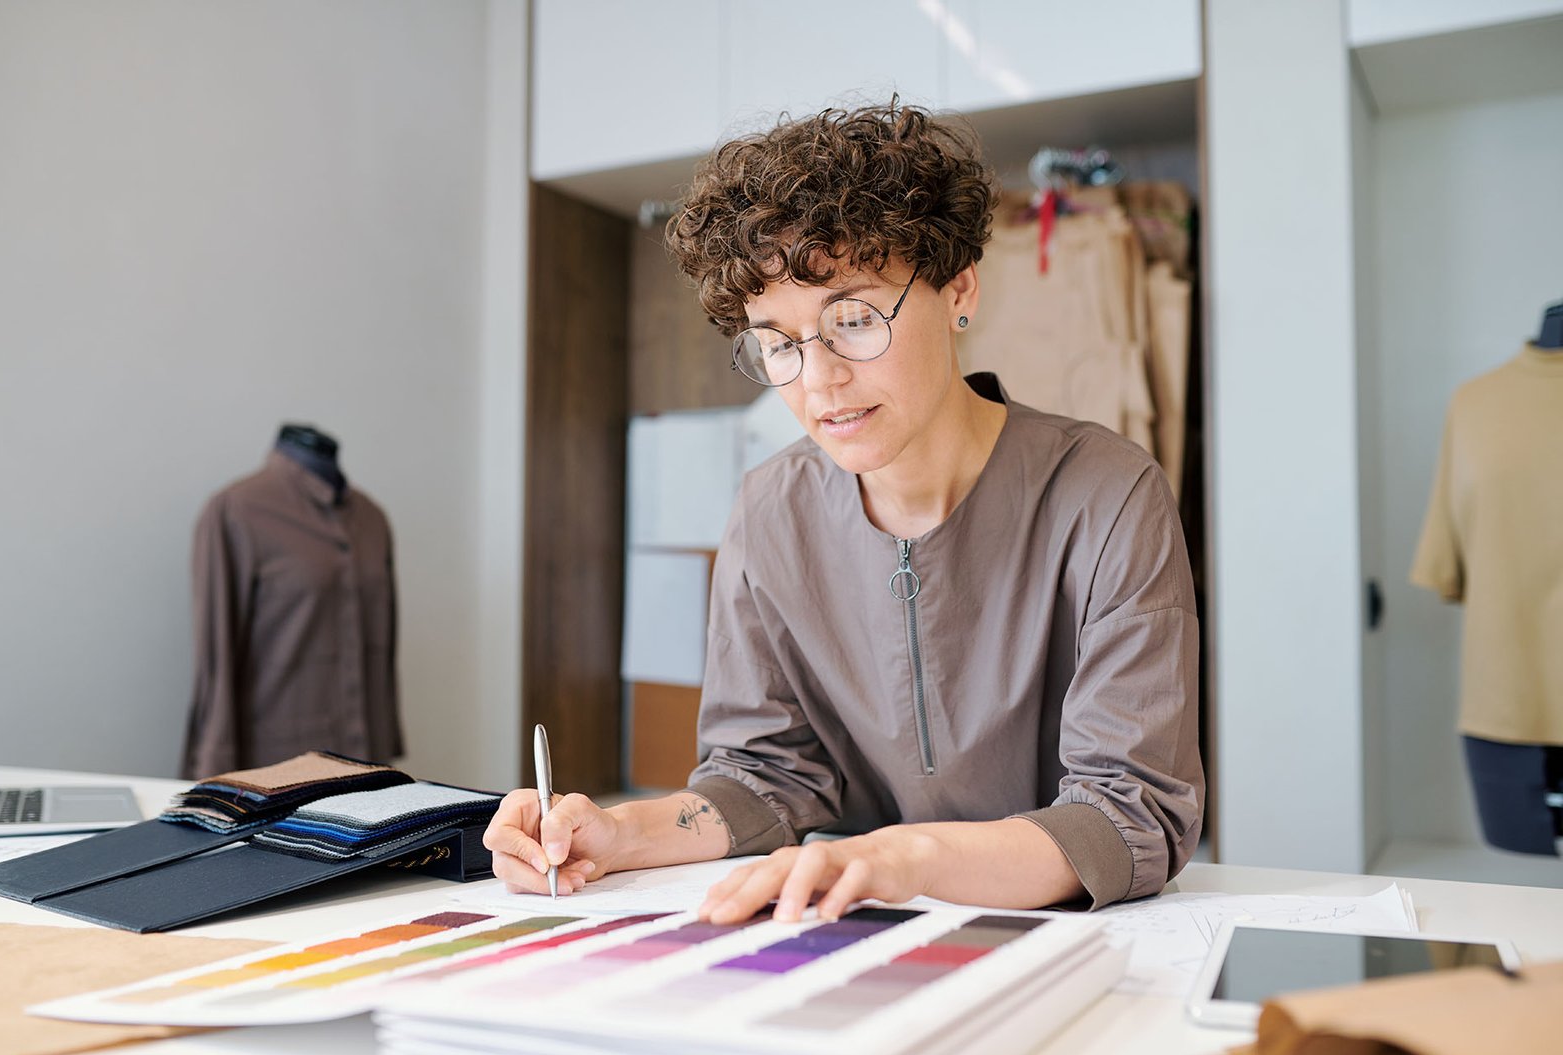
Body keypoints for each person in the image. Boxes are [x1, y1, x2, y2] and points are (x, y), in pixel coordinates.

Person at [485, 99, 1203, 922]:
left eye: (853, 319)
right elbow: (762, 778)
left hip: (1064, 945)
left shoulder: (1107, 495)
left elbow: (1127, 813)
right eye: (778, 342)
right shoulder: (770, 512)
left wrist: (903, 854)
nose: (817, 379)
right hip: (851, 933)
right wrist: (623, 832)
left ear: (958, 286)